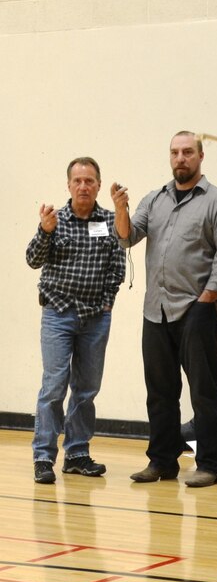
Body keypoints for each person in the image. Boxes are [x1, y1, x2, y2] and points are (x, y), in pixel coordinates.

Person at [112, 131, 217, 488]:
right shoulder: (154, 199)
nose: (180, 158)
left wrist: (209, 297)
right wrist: (121, 208)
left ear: (200, 157)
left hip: (196, 309)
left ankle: (211, 464)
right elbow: (126, 237)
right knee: (160, 390)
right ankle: (162, 462)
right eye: (174, 152)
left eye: (187, 152)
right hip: (156, 309)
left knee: (203, 391)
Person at [26, 157, 126, 485]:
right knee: (54, 387)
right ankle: (43, 456)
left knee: (85, 389)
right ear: (68, 185)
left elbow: (117, 267)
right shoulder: (55, 220)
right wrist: (44, 231)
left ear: (98, 185)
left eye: (90, 181)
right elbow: (32, 259)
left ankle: (77, 453)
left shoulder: (110, 221)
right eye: (78, 181)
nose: (84, 186)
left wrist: (108, 302)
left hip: (95, 319)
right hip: (57, 314)